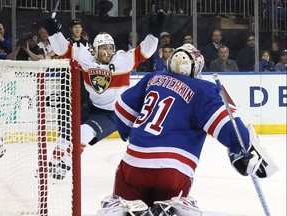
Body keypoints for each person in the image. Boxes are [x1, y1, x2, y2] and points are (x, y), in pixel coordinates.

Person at [95, 43, 278, 216]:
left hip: (133, 164)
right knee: (172, 201)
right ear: (196, 67)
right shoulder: (204, 89)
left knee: (124, 201)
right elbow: (228, 126)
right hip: (173, 170)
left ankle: (123, 205)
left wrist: (128, 133)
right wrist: (242, 151)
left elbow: (121, 107)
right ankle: (171, 207)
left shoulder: (153, 78)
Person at [42, 12, 164, 180]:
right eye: (104, 48)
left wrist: (154, 33)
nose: (108, 51)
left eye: (110, 47)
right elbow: (63, 49)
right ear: (95, 49)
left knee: (85, 131)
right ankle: (52, 163)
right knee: (66, 131)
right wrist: (54, 33)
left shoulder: (123, 60)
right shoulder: (85, 57)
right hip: (92, 107)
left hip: (113, 114)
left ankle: (65, 164)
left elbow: (146, 51)